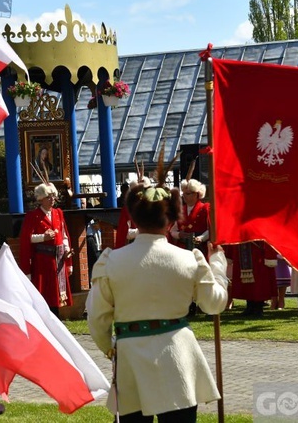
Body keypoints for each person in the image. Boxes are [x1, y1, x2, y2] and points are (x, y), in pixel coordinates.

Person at [87, 179, 228, 422]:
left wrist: (109, 349)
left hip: (130, 359)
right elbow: (214, 304)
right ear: (171, 221)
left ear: (133, 220)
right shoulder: (190, 259)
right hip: (179, 357)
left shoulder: (110, 261)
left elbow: (98, 318)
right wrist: (217, 264)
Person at [19, 182, 73, 315]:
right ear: (41, 199)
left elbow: (63, 234)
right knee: (45, 294)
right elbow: (27, 238)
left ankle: (57, 319)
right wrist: (43, 237)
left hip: (58, 259)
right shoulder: (33, 216)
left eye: (53, 196)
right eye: (49, 197)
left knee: (57, 295)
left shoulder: (58, 213)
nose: (52, 199)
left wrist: (66, 250)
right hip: (43, 260)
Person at [226, 242, 278, 318]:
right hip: (243, 250)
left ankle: (258, 308)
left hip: (257, 254)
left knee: (259, 283)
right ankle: (250, 307)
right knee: (247, 283)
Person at [170, 179, 210, 257]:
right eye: (183, 193)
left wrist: (201, 238)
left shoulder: (205, 208)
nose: (184, 196)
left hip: (200, 250)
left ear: (196, 194)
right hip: (182, 250)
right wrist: (179, 234)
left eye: (187, 193)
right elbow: (172, 231)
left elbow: (211, 230)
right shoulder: (180, 210)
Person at [115, 176, 151, 249]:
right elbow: (125, 233)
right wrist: (140, 231)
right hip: (134, 246)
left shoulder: (153, 207)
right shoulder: (127, 209)